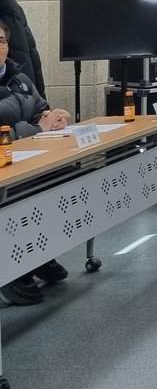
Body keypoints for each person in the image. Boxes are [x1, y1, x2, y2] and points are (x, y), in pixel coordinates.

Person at [0, 16, 72, 306]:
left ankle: (39, 254)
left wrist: (52, 120)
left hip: (26, 159)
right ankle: (11, 272)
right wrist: (37, 129)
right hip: (5, 168)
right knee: (18, 194)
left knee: (62, 178)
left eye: (1, 41)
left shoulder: (20, 79)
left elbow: (40, 110)